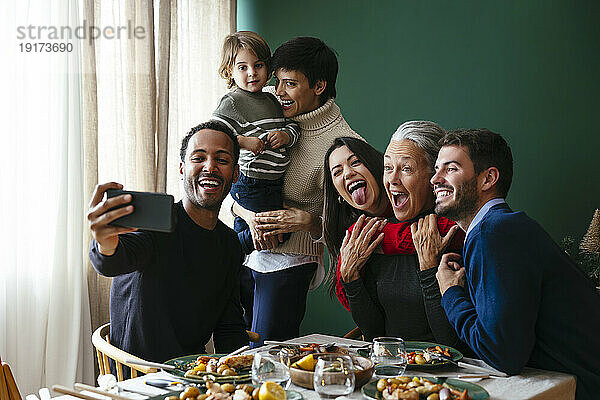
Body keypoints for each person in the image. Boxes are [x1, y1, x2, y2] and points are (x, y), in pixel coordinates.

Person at [432, 128, 600, 399]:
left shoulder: (493, 232)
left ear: (488, 178)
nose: (435, 179)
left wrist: (451, 293)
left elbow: (502, 355)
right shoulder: (500, 228)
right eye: (436, 169)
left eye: (450, 169)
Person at [232, 37, 364, 345]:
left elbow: (354, 225)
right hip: (246, 249)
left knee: (265, 353)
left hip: (290, 260)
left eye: (290, 84)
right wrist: (248, 215)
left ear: (318, 86)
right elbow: (237, 187)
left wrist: (306, 222)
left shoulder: (344, 146)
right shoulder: (268, 117)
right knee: (239, 353)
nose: (278, 92)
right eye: (277, 82)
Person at [87, 121, 248, 365]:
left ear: (235, 174)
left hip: (190, 378)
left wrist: (244, 372)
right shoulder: (156, 224)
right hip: (138, 380)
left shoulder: (230, 244)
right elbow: (114, 260)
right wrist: (104, 243)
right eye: (198, 157)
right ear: (182, 169)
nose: (210, 166)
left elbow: (229, 327)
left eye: (222, 160)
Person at [334, 121, 464, 347]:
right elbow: (375, 334)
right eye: (387, 167)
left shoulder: (454, 233)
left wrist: (429, 269)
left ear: (434, 176)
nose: (392, 179)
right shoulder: (375, 237)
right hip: (395, 373)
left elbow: (450, 343)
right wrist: (351, 278)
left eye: (406, 169)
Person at [213, 31, 299, 255]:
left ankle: (236, 253)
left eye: (258, 65)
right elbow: (213, 136)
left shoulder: (272, 98)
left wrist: (286, 136)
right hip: (251, 181)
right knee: (265, 233)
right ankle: (227, 250)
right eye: (243, 67)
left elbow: (293, 126)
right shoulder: (232, 101)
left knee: (277, 233)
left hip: (274, 182)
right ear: (229, 71)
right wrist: (242, 141)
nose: (252, 73)